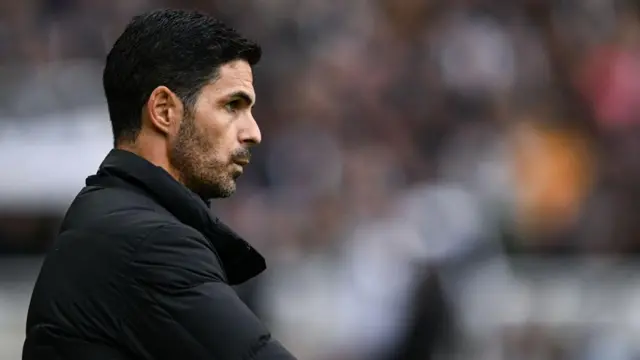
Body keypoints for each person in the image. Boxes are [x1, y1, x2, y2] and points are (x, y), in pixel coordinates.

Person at [22, 9, 297, 360]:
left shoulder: (114, 222)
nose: (253, 133)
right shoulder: (147, 243)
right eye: (232, 105)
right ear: (164, 111)